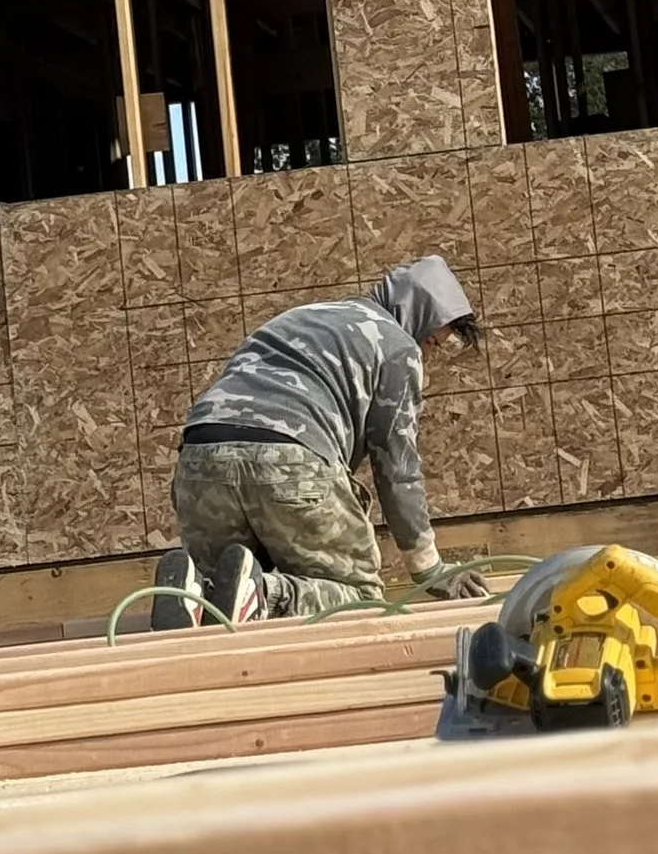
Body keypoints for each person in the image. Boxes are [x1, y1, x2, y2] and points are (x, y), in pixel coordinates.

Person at [162, 254, 495, 622]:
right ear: (416, 317)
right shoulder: (397, 346)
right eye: (431, 343)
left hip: (200, 462)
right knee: (359, 595)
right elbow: (397, 469)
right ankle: (264, 593)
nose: (426, 355)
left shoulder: (299, 318)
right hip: (289, 461)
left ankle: (195, 589)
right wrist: (428, 567)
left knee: (221, 593)